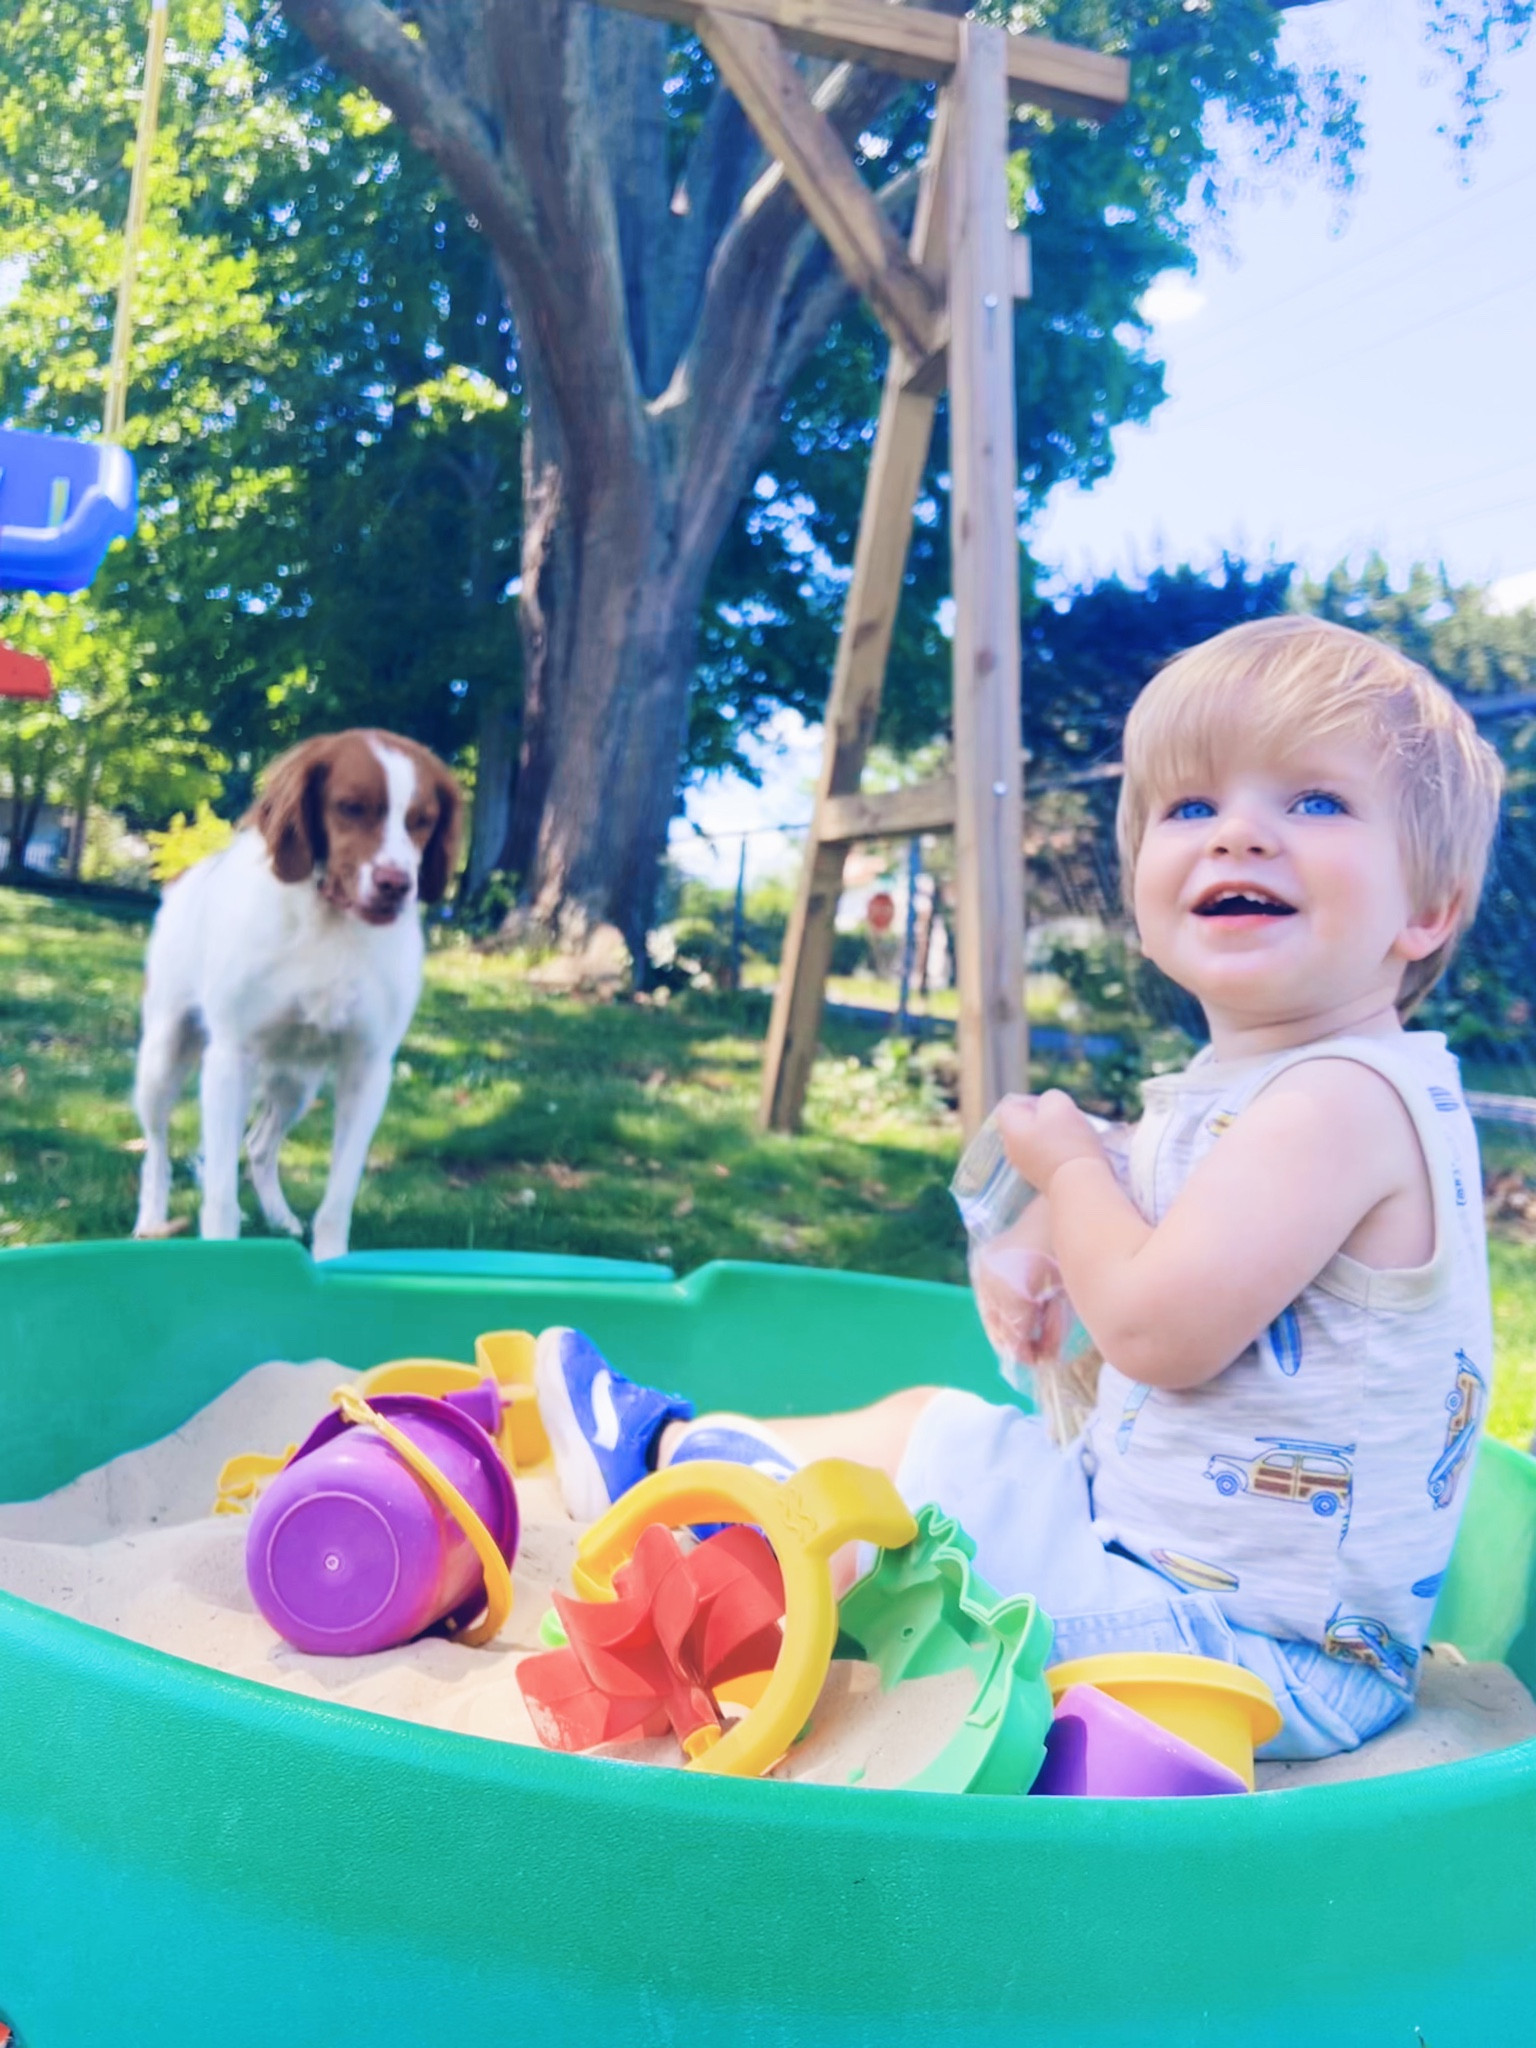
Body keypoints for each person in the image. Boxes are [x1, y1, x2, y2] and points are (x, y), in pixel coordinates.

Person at [536, 616, 1505, 1758]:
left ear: (1427, 908)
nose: (1240, 832)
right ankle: (679, 1450)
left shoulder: (1340, 1102)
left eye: (1315, 802)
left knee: (910, 1569)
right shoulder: (1251, 1085)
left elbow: (1153, 1323)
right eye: (1191, 808)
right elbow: (1150, 1212)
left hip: (1247, 1656)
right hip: (1148, 1550)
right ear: (1145, 897)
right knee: (932, 1425)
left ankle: (733, 1515)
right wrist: (1041, 1235)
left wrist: (1069, 1165)